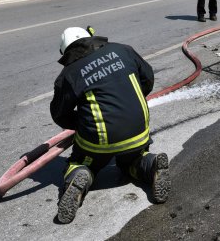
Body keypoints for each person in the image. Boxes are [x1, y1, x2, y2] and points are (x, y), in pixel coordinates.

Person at [50, 26, 170, 224]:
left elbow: (60, 115)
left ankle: (79, 174)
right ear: (91, 37)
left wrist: (82, 124)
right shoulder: (123, 49)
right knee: (131, 161)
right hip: (139, 131)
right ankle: (151, 163)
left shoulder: (68, 75)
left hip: (98, 142)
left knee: (80, 162)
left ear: (66, 51)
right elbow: (147, 79)